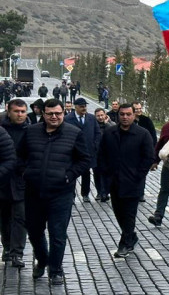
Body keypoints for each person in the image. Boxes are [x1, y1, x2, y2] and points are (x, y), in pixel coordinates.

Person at [18, 99, 90, 285]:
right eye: (50, 114)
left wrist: (68, 176)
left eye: (58, 113)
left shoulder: (74, 133)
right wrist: (27, 173)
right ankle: (42, 260)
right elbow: (20, 157)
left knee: (57, 234)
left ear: (63, 114)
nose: (54, 117)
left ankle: (56, 270)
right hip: (34, 192)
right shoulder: (31, 132)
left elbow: (84, 160)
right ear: (43, 114)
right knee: (34, 232)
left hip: (61, 193)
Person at [99, 103, 155, 258]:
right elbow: (102, 153)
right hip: (114, 182)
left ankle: (125, 244)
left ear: (133, 115)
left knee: (129, 214)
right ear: (118, 116)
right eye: (122, 114)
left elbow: (149, 157)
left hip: (133, 182)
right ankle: (131, 236)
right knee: (119, 213)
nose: (125, 117)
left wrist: (138, 175)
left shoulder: (143, 134)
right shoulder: (110, 133)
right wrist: (105, 173)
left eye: (128, 114)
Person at [148, 106, 169, 227]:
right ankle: (158, 216)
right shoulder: (167, 127)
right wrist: (155, 161)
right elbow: (160, 145)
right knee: (164, 190)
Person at [0, 102, 23, 267]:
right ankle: (7, 246)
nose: (20, 115)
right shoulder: (2, 128)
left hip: (21, 181)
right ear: (8, 112)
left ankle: (17, 253)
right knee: (4, 218)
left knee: (20, 217)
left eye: (23, 111)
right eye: (17, 111)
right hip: (3, 182)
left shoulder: (31, 130)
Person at [66, 97, 101, 202]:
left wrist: (95, 145)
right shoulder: (67, 119)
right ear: (75, 107)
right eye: (81, 107)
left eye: (85, 106)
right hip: (73, 152)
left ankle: (85, 194)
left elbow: (97, 133)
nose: (84, 108)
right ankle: (71, 195)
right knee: (72, 174)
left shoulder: (91, 118)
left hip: (88, 152)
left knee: (86, 174)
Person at [94, 107, 113, 201]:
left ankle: (106, 191)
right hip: (96, 154)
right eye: (98, 116)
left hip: (107, 154)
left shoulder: (109, 125)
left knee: (107, 174)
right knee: (97, 174)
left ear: (105, 115)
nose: (100, 117)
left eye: (102, 115)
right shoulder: (93, 126)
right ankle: (100, 192)